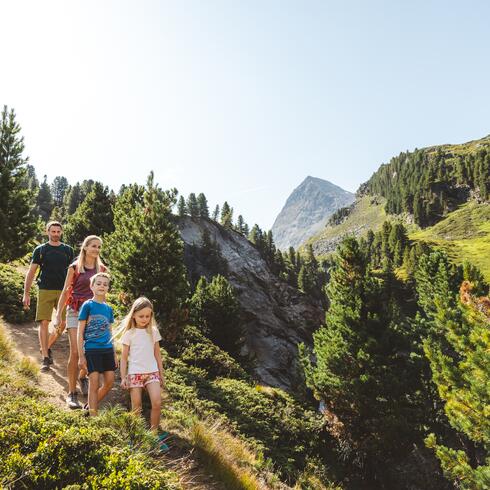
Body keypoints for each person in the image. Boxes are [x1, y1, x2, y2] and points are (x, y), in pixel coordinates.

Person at [55, 235, 106, 409]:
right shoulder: (75, 267)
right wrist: (58, 315)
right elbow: (65, 291)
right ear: (85, 247)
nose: (96, 249)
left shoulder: (102, 268)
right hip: (75, 311)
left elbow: (102, 293)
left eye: (99, 246)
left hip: (94, 314)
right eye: (93, 246)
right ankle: (71, 393)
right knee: (76, 352)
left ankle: (82, 376)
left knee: (89, 351)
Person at [117, 297, 167, 450]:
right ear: (133, 315)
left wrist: (161, 374)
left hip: (152, 372)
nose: (145, 319)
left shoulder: (153, 332)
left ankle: (153, 435)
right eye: (141, 316)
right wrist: (123, 377)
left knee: (157, 403)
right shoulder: (129, 334)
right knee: (136, 407)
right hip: (135, 374)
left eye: (148, 316)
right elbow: (124, 358)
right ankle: (134, 436)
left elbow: (158, 354)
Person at [23, 221, 74, 371]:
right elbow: (31, 272)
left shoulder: (68, 250)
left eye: (58, 231)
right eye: (53, 231)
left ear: (61, 232)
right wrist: (26, 293)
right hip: (45, 289)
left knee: (63, 323)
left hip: (64, 291)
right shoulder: (40, 250)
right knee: (44, 322)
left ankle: (46, 346)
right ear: (47, 232)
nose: (56, 234)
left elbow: (74, 272)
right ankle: (45, 357)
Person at [77, 272, 117, 416]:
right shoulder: (88, 305)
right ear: (92, 286)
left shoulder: (109, 309)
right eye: (98, 283)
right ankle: (93, 418)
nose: (102, 286)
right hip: (92, 349)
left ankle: (89, 407)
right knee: (94, 383)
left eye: (105, 284)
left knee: (109, 382)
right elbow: (80, 332)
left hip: (107, 350)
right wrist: (81, 356)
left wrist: (114, 353)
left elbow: (110, 333)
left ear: (108, 288)